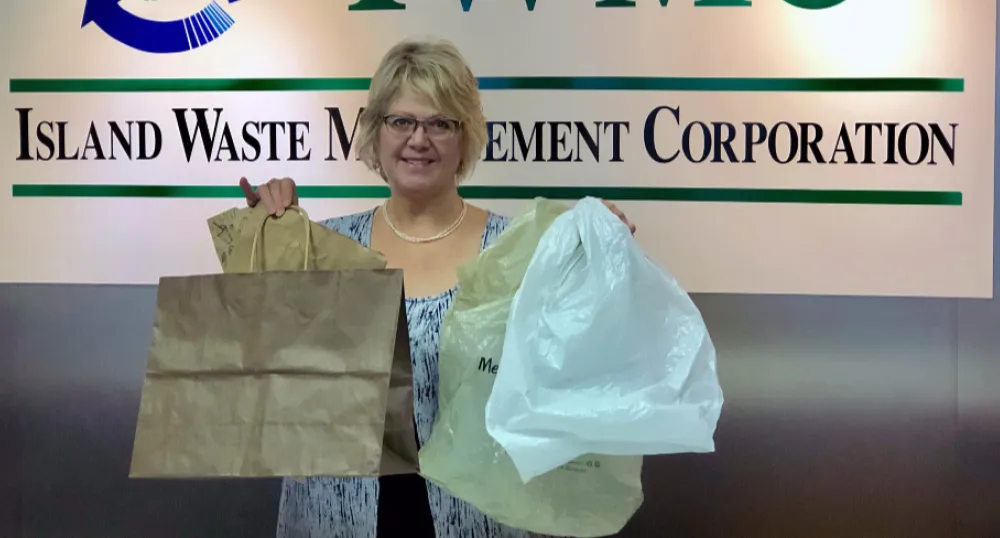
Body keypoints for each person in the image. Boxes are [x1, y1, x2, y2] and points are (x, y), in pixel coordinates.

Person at [240, 37, 637, 538]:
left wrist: (596, 247)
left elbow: (578, 375)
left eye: (440, 123)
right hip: (334, 517)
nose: (418, 139)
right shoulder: (324, 248)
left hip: (480, 520)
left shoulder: (521, 252)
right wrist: (264, 241)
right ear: (375, 131)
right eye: (401, 121)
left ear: (465, 136)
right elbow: (266, 377)